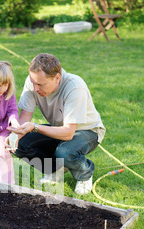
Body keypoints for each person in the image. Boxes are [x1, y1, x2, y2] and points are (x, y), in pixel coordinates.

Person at [7, 53, 106, 195]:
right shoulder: (33, 83)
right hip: (61, 128)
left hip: (88, 131)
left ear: (57, 78)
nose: (34, 88)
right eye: (33, 82)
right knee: (20, 145)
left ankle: (85, 173)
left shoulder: (74, 87)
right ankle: (55, 170)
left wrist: (35, 127)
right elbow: (24, 119)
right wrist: (14, 136)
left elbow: (68, 133)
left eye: (40, 84)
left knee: (64, 152)